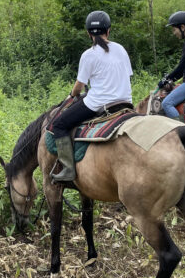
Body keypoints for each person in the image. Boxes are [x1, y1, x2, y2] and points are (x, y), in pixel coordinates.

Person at [50, 10, 133, 182]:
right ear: (108, 30)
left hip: (99, 103)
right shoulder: (120, 49)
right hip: (125, 102)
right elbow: (126, 75)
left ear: (88, 33)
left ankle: (67, 169)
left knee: (59, 125)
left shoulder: (88, 55)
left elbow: (79, 87)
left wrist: (72, 96)